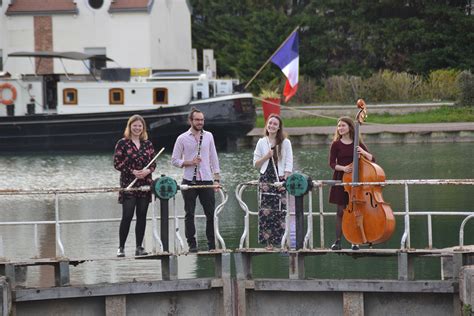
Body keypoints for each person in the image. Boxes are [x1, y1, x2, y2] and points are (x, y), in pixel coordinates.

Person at [171, 108, 221, 252]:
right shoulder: (182, 138)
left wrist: (216, 179)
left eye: (202, 120)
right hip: (188, 180)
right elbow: (174, 160)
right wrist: (189, 162)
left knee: (210, 213)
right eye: (197, 120)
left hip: (206, 179)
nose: (200, 122)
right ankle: (192, 245)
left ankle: (212, 244)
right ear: (191, 121)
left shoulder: (209, 136)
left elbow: (214, 158)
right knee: (189, 213)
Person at [328, 117, 374, 251]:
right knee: (340, 212)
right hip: (341, 179)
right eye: (339, 126)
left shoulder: (357, 143)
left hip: (356, 181)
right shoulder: (336, 144)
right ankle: (337, 241)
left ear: (349, 127)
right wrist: (343, 168)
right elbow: (331, 163)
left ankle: (355, 241)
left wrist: (363, 152)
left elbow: (372, 159)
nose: (340, 128)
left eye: (343, 126)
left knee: (355, 211)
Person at [113, 114, 156, 257]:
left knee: (142, 215)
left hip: (145, 184)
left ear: (143, 128)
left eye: (140, 126)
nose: (137, 128)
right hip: (129, 184)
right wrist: (132, 171)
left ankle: (139, 247)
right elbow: (117, 163)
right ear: (130, 126)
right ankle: (121, 247)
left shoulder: (148, 144)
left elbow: (153, 163)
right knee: (127, 215)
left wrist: (147, 171)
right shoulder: (122, 143)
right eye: (134, 125)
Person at [253, 114, 293, 250]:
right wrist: (267, 156)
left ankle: (282, 242)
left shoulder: (285, 142)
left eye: (275, 124)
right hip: (266, 179)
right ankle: (268, 243)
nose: (272, 126)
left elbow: (289, 163)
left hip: (280, 179)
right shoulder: (261, 142)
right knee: (266, 211)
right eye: (270, 123)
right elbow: (256, 164)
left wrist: (285, 181)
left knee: (281, 211)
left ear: (279, 127)